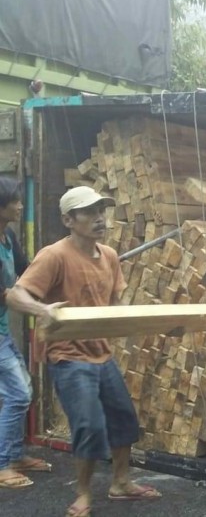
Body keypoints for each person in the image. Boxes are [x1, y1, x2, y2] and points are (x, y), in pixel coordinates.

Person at [7, 186, 161, 517]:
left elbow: (115, 305)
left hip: (101, 354)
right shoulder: (54, 255)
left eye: (101, 211)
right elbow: (15, 296)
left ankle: (120, 483)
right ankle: (83, 494)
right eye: (89, 212)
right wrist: (43, 310)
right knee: (88, 425)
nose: (99, 218)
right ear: (68, 219)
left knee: (124, 419)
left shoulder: (108, 256)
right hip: (68, 356)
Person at [0, 178, 51, 490]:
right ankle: (2, 463)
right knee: (18, 394)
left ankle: (15, 455)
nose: (21, 206)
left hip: (2, 329)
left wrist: (54, 278)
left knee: (21, 390)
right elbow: (6, 294)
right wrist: (39, 309)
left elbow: (26, 270)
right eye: (15, 201)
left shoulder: (7, 234)